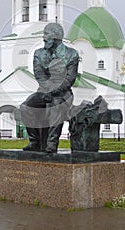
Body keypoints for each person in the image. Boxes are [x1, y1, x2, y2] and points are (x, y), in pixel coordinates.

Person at [20, 23, 79, 153]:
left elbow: (69, 79)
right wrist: (48, 90)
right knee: (25, 107)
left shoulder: (72, 54)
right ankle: (34, 141)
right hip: (43, 91)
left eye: (47, 35)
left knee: (56, 105)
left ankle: (52, 142)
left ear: (57, 37)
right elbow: (39, 75)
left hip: (63, 93)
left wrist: (54, 91)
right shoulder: (39, 54)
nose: (44, 38)